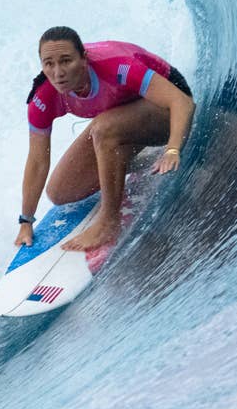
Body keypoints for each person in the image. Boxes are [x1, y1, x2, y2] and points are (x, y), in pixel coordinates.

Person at [15, 26, 195, 253]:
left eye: (66, 61)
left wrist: (173, 149)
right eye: (49, 63)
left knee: (102, 129)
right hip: (120, 119)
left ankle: (109, 221)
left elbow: (182, 102)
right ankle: (136, 161)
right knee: (61, 192)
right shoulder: (42, 97)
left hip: (167, 111)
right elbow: (38, 161)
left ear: (84, 59)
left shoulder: (115, 65)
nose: (58, 72)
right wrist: (26, 221)